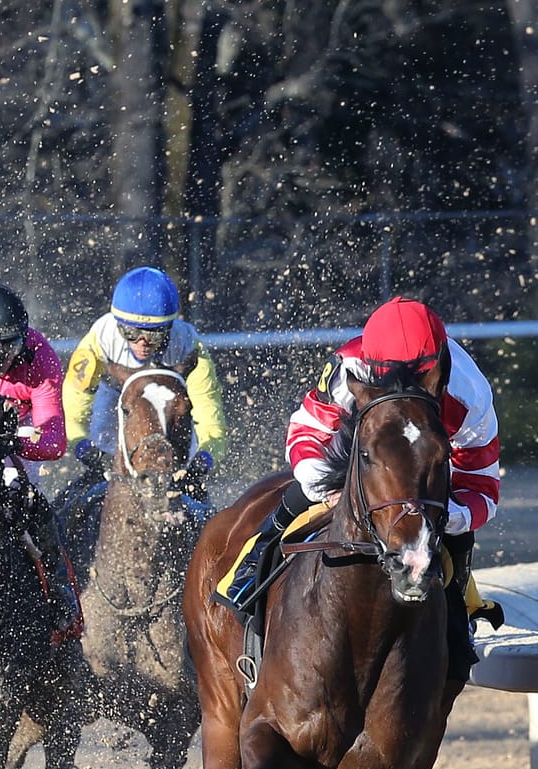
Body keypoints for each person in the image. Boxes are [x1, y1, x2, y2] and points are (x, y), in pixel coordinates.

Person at [217, 296, 501, 681]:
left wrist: (448, 516)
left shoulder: (470, 395)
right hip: (357, 452)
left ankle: (461, 615)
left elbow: (481, 488)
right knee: (302, 490)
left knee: (457, 533)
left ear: (437, 367)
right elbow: (307, 430)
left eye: (415, 378)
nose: (400, 387)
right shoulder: (349, 365)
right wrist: (321, 483)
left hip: (426, 473)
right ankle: (251, 567)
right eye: (387, 377)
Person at [0, 282, 79, 633]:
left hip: (13, 443)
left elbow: (53, 440)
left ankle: (60, 596)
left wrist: (12, 444)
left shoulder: (40, 358)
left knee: (32, 504)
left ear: (23, 340)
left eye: (7, 349)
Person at [62, 266, 225, 497]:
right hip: (115, 397)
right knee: (106, 453)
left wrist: (204, 460)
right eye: (130, 332)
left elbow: (212, 424)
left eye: (154, 334)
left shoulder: (191, 348)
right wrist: (83, 446)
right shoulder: (99, 340)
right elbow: (72, 410)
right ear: (118, 324)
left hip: (169, 408)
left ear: (170, 327)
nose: (142, 342)